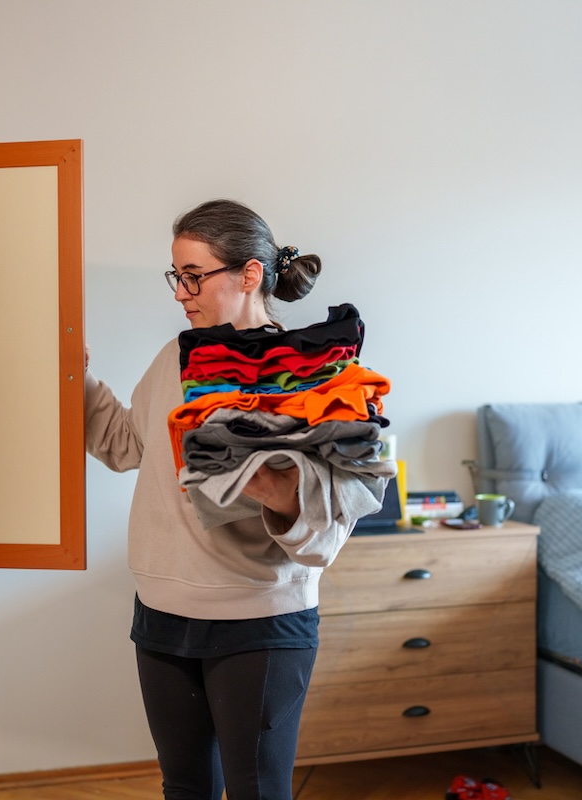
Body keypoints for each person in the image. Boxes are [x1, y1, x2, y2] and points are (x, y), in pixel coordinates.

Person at [84, 199, 362, 800]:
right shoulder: (177, 357)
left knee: (257, 790)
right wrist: (72, 377)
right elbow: (128, 444)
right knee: (185, 788)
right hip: (161, 612)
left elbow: (327, 530)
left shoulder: (307, 372)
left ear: (250, 275)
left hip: (260, 621)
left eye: (193, 275)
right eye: (175, 276)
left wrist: (275, 492)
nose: (180, 292)